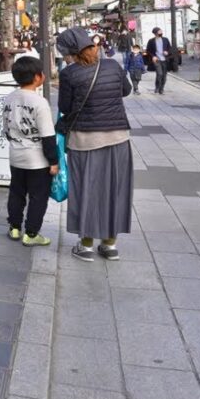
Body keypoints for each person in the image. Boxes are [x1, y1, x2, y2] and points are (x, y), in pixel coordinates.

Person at [57, 28, 133, 262]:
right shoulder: (111, 65)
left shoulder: (70, 74)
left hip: (85, 140)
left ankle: (86, 245)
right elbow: (126, 90)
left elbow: (66, 107)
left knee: (86, 190)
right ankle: (110, 245)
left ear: (70, 51)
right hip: (118, 138)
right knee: (115, 189)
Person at [3, 56, 57, 247]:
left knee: (16, 192)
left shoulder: (9, 99)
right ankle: (32, 233)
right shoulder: (39, 102)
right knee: (37, 196)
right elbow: (48, 136)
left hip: (16, 155)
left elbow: (6, 128)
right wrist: (54, 161)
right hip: (37, 159)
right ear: (37, 77)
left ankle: (15, 227)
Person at [145, 27, 172, 94]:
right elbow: (148, 50)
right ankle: (157, 87)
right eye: (159, 31)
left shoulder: (165, 39)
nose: (161, 33)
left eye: (161, 31)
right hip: (157, 60)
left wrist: (167, 52)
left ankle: (161, 89)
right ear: (155, 33)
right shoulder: (151, 41)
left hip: (164, 60)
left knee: (164, 75)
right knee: (159, 74)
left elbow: (169, 48)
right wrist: (153, 56)